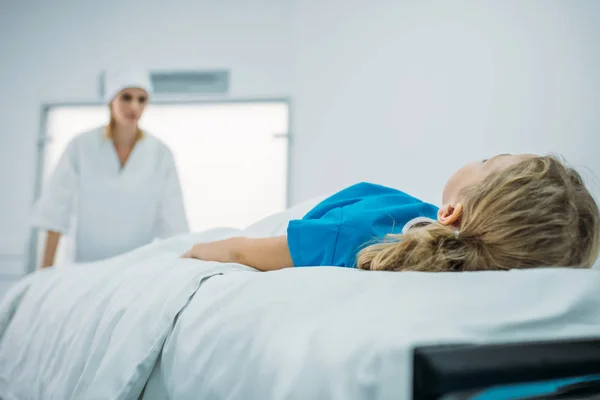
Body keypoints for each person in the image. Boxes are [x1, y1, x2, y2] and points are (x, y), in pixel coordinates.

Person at [183, 154, 600, 272]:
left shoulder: (361, 232)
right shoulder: (447, 239)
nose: (477, 158)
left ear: (451, 212)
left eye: (487, 160)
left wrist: (191, 252)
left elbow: (242, 251)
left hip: (286, 222)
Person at [32, 68, 189, 268]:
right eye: (126, 97)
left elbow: (174, 224)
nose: (134, 106)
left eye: (142, 99)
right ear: (110, 100)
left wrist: (179, 271)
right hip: (83, 267)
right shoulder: (81, 146)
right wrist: (44, 273)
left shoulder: (160, 153)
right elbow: (55, 212)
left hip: (137, 268)